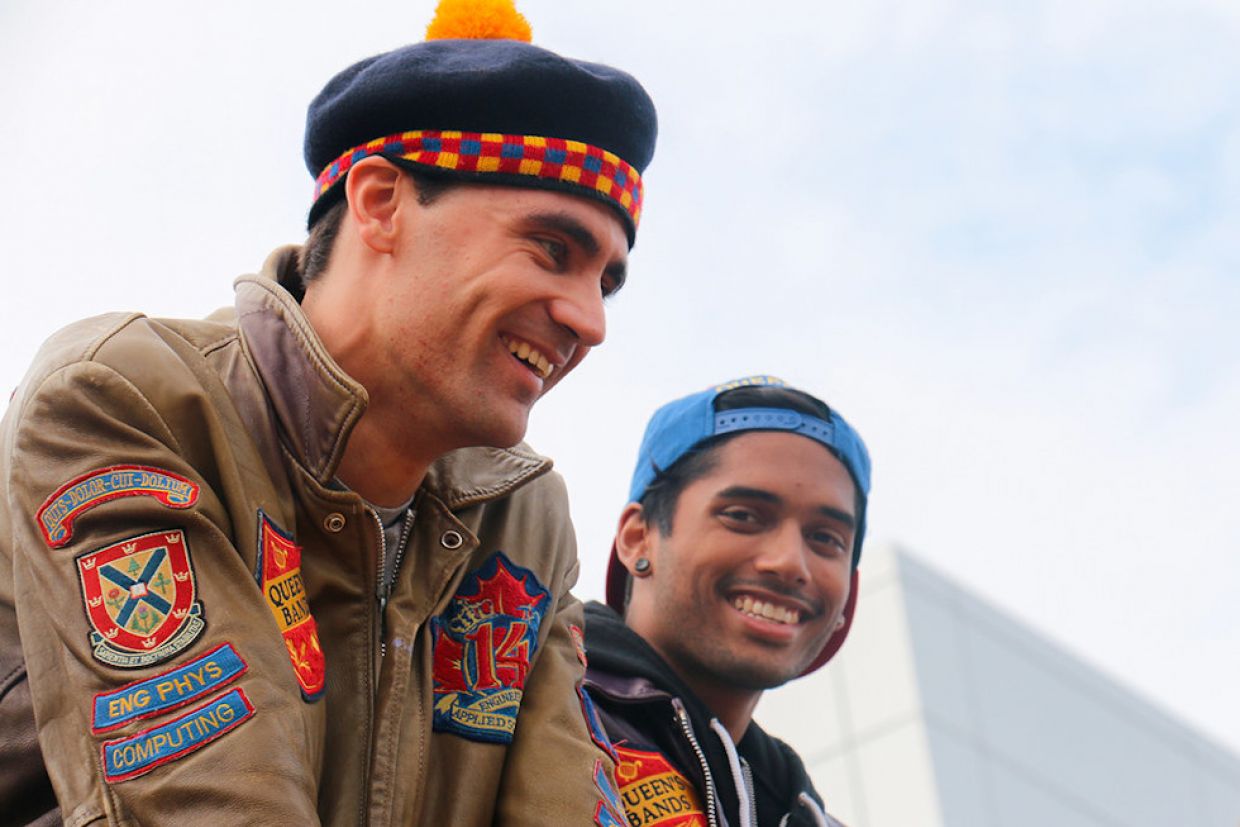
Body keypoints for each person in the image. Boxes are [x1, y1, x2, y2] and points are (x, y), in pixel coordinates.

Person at [0, 0, 655, 823]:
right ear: (380, 201)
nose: (589, 321)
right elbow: (209, 805)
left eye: (605, 280)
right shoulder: (129, 399)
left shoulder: (524, 517)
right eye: (552, 250)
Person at [583, 376, 871, 827]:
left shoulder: (803, 813)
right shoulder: (512, 702)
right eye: (742, 516)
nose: (790, 563)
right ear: (638, 538)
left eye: (825, 538)